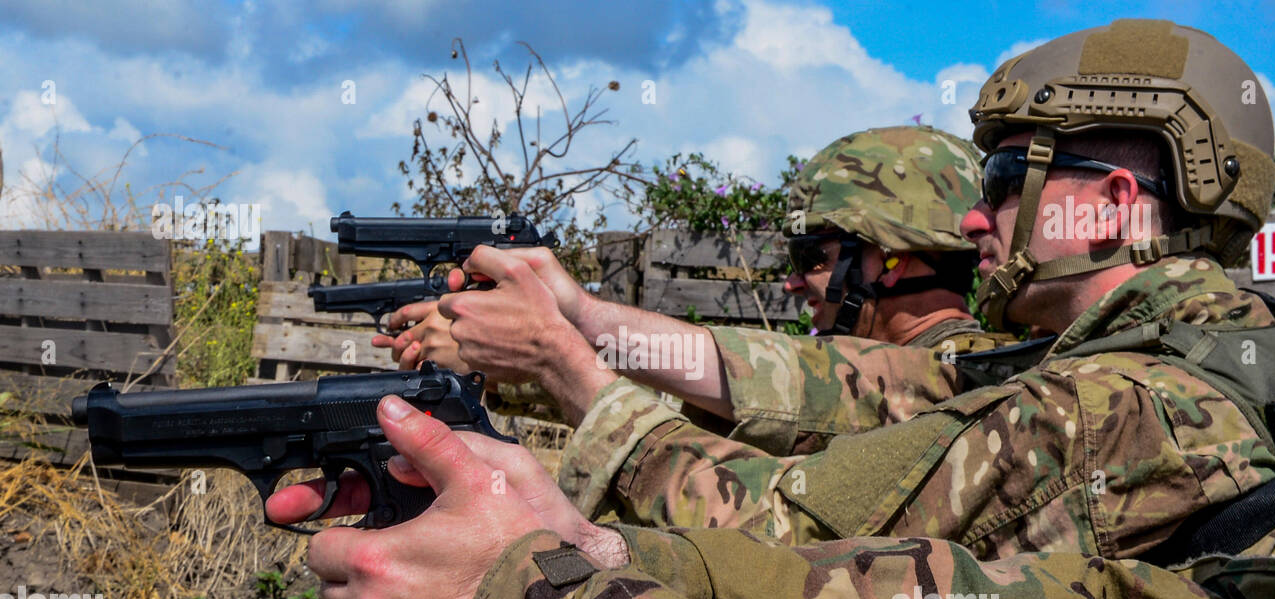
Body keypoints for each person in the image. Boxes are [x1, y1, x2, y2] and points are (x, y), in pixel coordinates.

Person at [269, 20, 1275, 599]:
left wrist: (539, 554)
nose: (978, 214)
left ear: (1114, 204)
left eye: (1005, 174)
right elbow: (841, 387)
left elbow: (799, 530)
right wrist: (580, 317)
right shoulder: (1142, 359)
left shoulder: (1123, 407)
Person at [373, 127, 1015, 457]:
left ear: (893, 259)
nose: (793, 280)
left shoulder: (969, 385)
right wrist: (494, 360)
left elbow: (772, 384)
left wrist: (565, 325)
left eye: (811, 255)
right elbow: (697, 404)